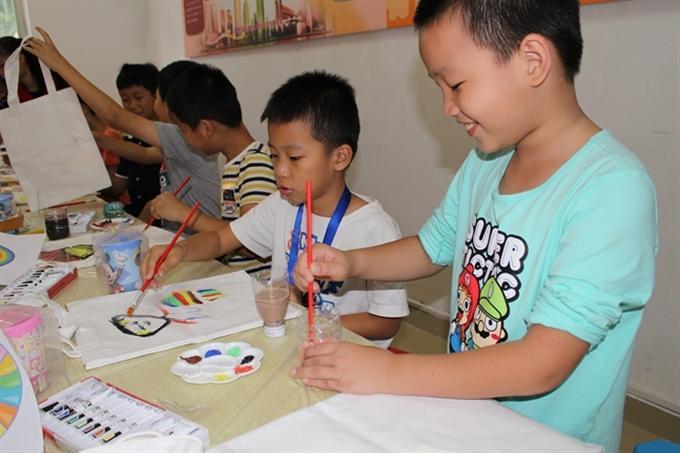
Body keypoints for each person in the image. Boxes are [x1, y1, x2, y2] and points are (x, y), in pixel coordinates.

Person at [291, 1, 658, 452]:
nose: (448, 107)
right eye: (439, 88)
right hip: (465, 417)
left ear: (532, 61)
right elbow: (431, 248)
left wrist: (389, 371)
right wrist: (351, 262)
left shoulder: (612, 189)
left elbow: (543, 362)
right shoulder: (487, 162)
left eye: (456, 85)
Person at [142, 71, 409, 345]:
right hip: (290, 341)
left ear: (340, 157)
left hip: (348, 354)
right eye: (274, 155)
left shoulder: (374, 228)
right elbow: (221, 239)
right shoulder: (282, 204)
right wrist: (181, 250)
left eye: (294, 157)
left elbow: (385, 323)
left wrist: (309, 322)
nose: (280, 170)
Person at [24, 29, 221, 230]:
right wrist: (97, 138)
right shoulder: (182, 137)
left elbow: (114, 116)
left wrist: (59, 65)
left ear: (169, 104)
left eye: (157, 96)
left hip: (196, 240)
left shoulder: (182, 137)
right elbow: (144, 154)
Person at [145, 63, 276, 273]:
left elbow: (251, 244)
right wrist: (181, 249)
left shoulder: (256, 164)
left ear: (206, 128)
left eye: (182, 130)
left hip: (260, 286)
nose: (184, 139)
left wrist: (186, 214)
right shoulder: (233, 163)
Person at [0, 35, 67, 103]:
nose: (0, 72)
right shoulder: (9, 98)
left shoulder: (59, 80)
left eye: (2, 66)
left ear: (20, 58)